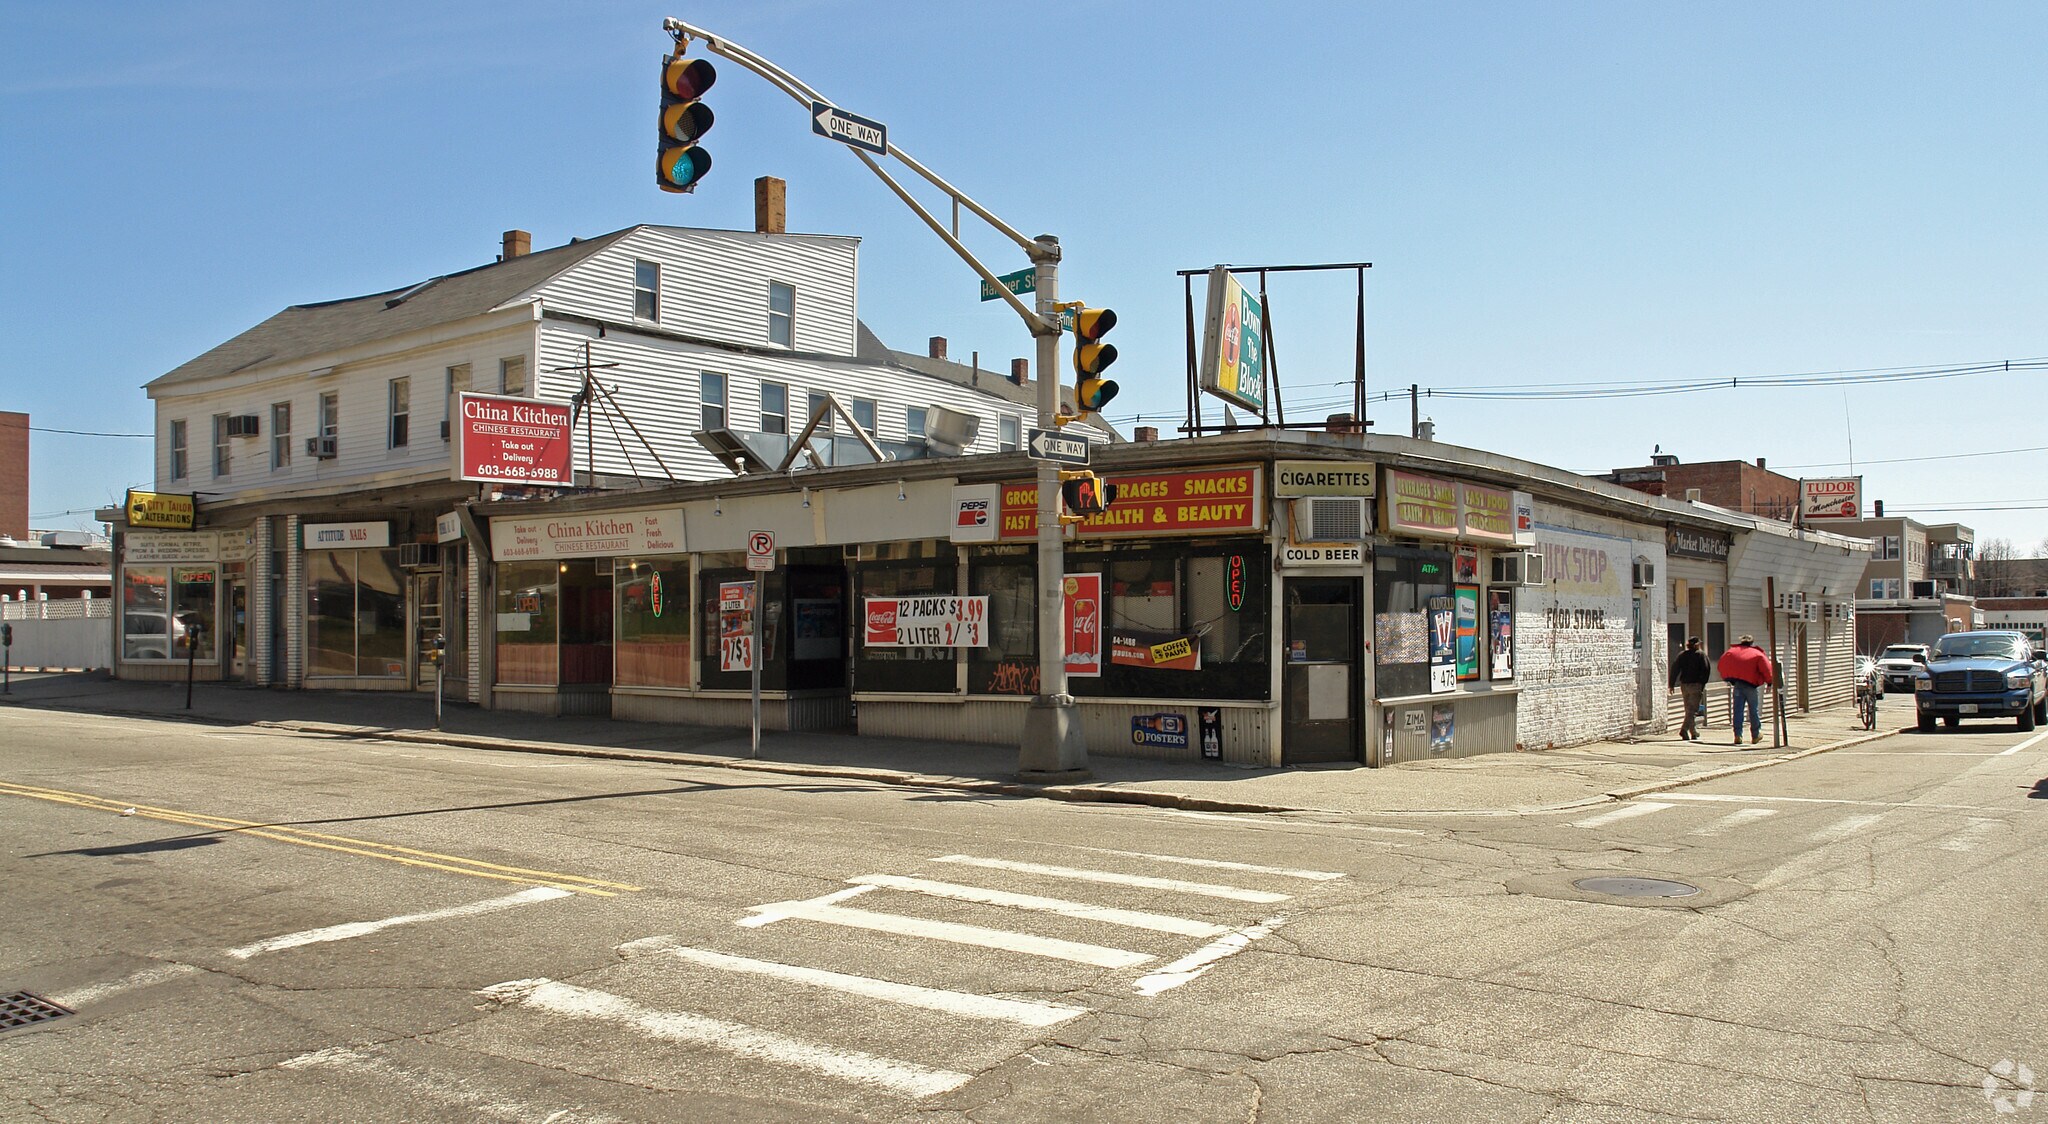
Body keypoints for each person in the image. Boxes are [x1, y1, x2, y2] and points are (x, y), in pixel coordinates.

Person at [1717, 634, 1776, 745]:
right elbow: (1766, 669)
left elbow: (1721, 664)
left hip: (1738, 685)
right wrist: (1770, 682)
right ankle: (1755, 734)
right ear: (1752, 643)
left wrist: (1728, 678)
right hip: (1751, 686)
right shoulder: (1757, 654)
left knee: (1738, 710)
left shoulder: (1731, 652)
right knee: (1753, 710)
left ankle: (1738, 735)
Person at [1669, 637, 1711, 741]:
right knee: (1692, 711)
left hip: (1684, 685)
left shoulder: (1682, 655)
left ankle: (1693, 732)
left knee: (1688, 710)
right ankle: (1684, 729)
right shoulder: (1701, 655)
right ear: (1697, 645)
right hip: (1696, 685)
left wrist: (1671, 684)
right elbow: (1706, 670)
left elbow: (1675, 669)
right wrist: (1702, 683)